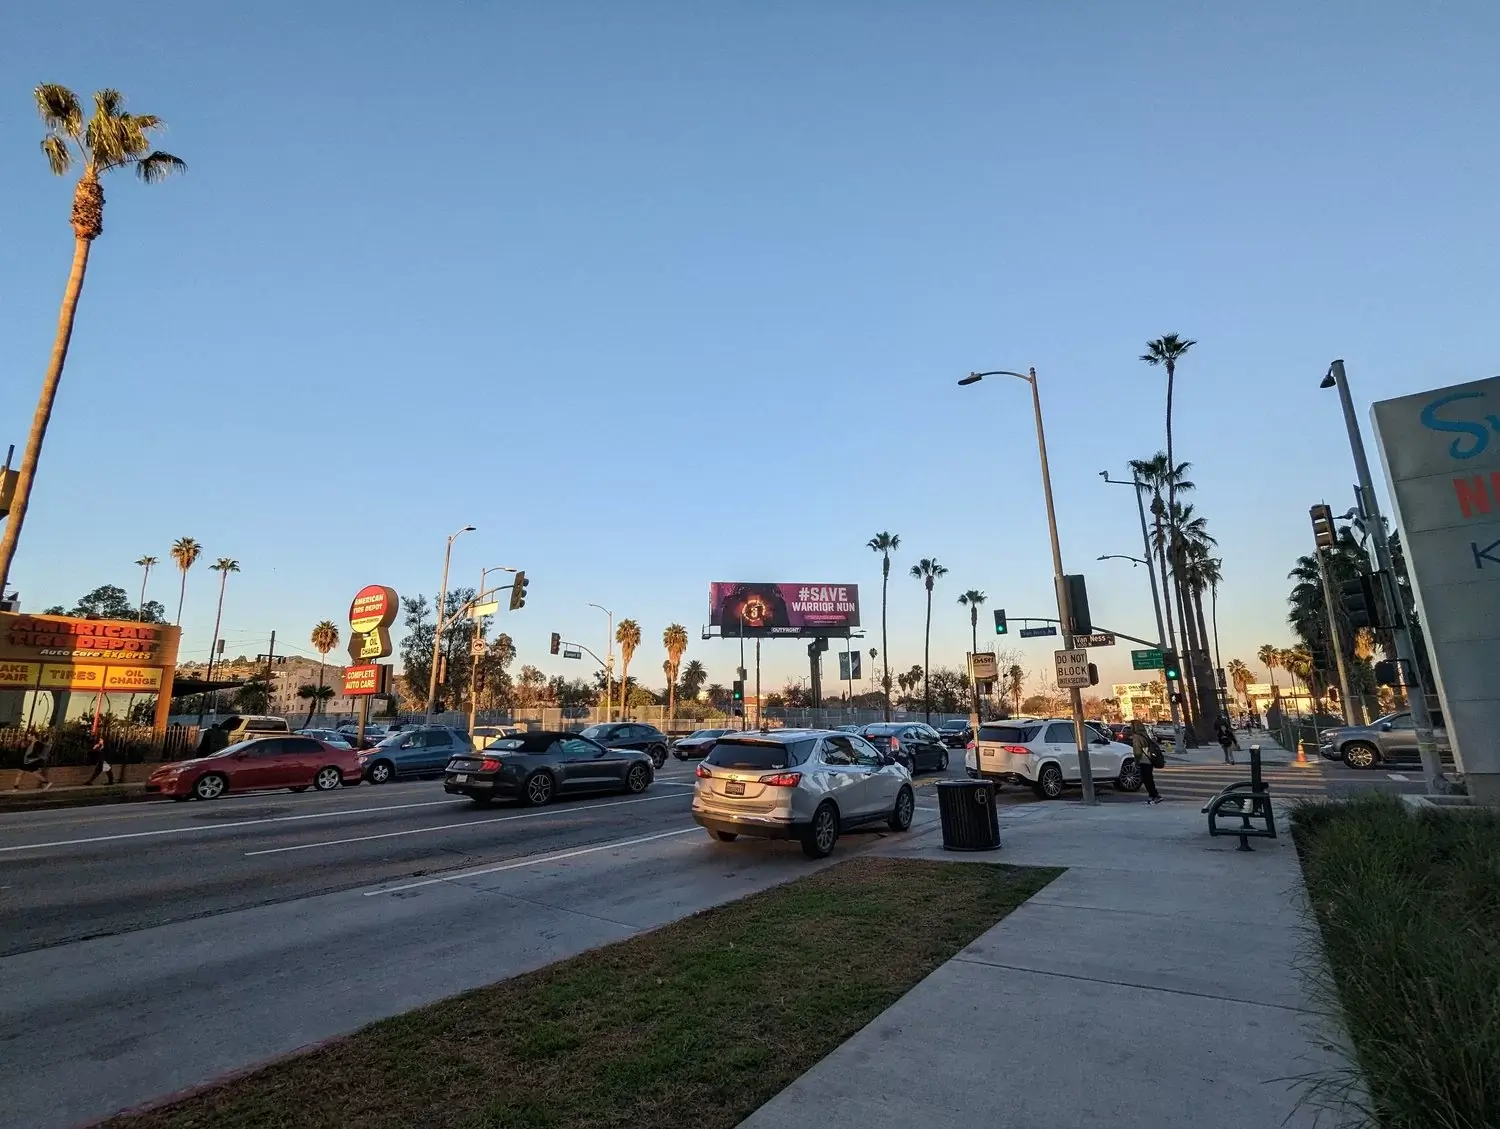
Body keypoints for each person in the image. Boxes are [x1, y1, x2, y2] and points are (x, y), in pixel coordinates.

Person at [1130, 720, 1162, 804]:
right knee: (1149, 779)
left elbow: (1137, 751)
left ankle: (1155, 795)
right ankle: (1152, 796)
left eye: (1131, 725)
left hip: (1143, 760)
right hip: (1149, 759)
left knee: (1146, 780)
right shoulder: (1144, 734)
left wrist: (1136, 762)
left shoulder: (1136, 736)